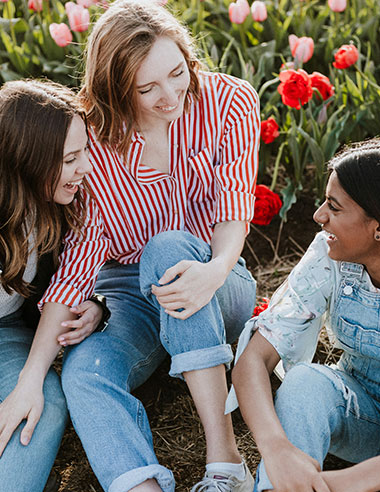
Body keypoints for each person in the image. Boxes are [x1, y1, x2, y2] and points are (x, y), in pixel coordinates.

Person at [38, 0, 260, 491]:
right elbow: (82, 249)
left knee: (167, 251)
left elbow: (234, 210)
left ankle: (225, 464)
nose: (169, 96)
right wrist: (90, 306)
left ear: (187, 55)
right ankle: (142, 486)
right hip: (130, 293)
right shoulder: (92, 135)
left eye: (177, 73)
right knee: (84, 375)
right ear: (116, 89)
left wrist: (216, 269)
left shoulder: (230, 102)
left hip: (216, 275)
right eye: (146, 88)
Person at [231, 138, 380, 492]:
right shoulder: (328, 254)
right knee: (305, 381)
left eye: (334, 208)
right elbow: (254, 359)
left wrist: (344, 483)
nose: (318, 215)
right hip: (360, 414)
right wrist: (277, 449)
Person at [0, 79, 108, 492]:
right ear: (26, 161)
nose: (85, 167)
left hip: (9, 333)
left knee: (40, 405)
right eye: (70, 158)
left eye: (85, 152)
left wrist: (95, 303)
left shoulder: (71, 199)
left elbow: (71, 279)